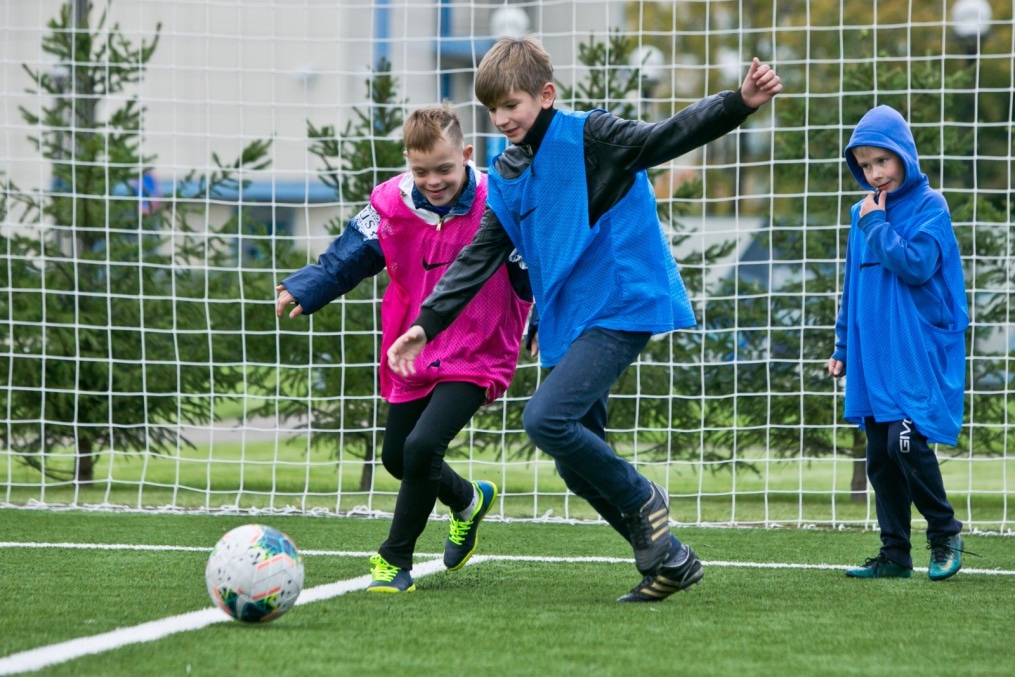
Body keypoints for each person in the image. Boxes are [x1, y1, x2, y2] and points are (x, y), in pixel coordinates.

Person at [387, 36, 782, 602]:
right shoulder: (507, 172)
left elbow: (662, 138)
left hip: (621, 301)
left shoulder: (593, 137)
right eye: (493, 109)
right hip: (568, 321)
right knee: (576, 464)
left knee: (546, 419)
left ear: (545, 95)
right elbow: (481, 254)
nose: (502, 119)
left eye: (512, 106)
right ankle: (668, 560)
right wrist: (427, 323)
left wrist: (738, 101)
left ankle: (646, 497)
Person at [276, 103, 532, 593]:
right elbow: (350, 253)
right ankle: (468, 500)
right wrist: (310, 287)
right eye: (421, 170)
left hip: (480, 344)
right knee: (398, 457)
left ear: (467, 155)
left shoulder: (500, 200)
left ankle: (394, 560)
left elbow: (535, 261)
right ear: (406, 163)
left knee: (422, 446)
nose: (433, 180)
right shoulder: (391, 203)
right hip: (410, 344)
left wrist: (542, 317)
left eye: (444, 169)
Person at [828, 105, 970, 581]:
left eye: (882, 162)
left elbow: (914, 266)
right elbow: (854, 285)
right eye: (865, 166)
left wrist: (876, 224)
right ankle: (894, 555)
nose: (874, 174)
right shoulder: (861, 212)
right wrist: (843, 347)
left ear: (904, 156)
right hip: (873, 355)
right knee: (880, 458)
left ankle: (945, 531)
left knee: (906, 444)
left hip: (914, 351)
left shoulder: (931, 207)